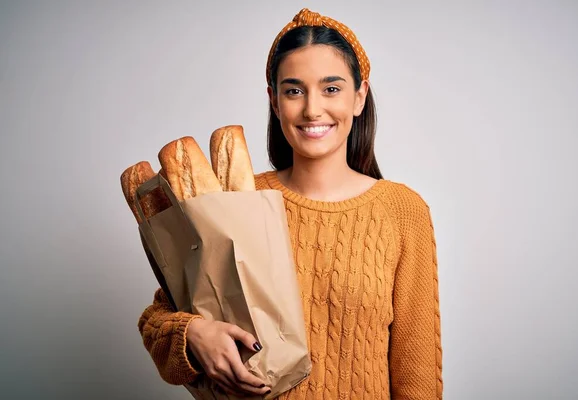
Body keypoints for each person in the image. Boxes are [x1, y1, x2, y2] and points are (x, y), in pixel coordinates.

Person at [138, 8, 443, 399]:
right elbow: (156, 320)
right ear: (275, 101)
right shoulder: (236, 198)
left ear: (359, 96)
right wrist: (194, 333)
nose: (312, 109)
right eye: (294, 90)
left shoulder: (402, 211)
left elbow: (416, 377)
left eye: (331, 88)